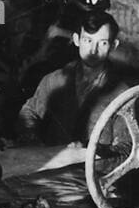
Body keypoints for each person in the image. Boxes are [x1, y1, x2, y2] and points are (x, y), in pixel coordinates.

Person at [11, 9, 131, 151]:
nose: (93, 50)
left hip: (94, 171)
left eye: (103, 43)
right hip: (53, 167)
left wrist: (92, 150)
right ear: (76, 40)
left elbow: (126, 148)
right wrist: (31, 139)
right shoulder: (54, 80)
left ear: (113, 46)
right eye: (88, 40)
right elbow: (30, 111)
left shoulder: (123, 94)